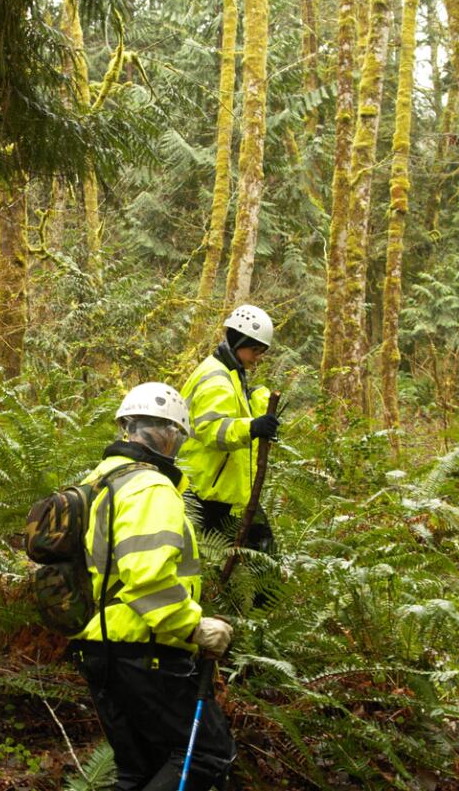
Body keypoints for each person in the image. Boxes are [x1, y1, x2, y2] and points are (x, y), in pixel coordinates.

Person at [68, 382, 237, 791]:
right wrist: (193, 628)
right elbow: (148, 579)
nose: (174, 443)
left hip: (99, 648)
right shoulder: (150, 488)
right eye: (175, 434)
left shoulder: (98, 480)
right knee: (207, 754)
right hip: (145, 649)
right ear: (170, 435)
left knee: (139, 771)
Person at [178, 305, 279, 553]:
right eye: (254, 350)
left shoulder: (231, 372)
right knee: (247, 557)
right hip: (206, 491)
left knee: (254, 553)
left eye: (261, 352)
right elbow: (213, 429)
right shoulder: (216, 379)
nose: (257, 357)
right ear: (239, 341)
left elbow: (232, 412)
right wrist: (253, 427)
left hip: (222, 489)